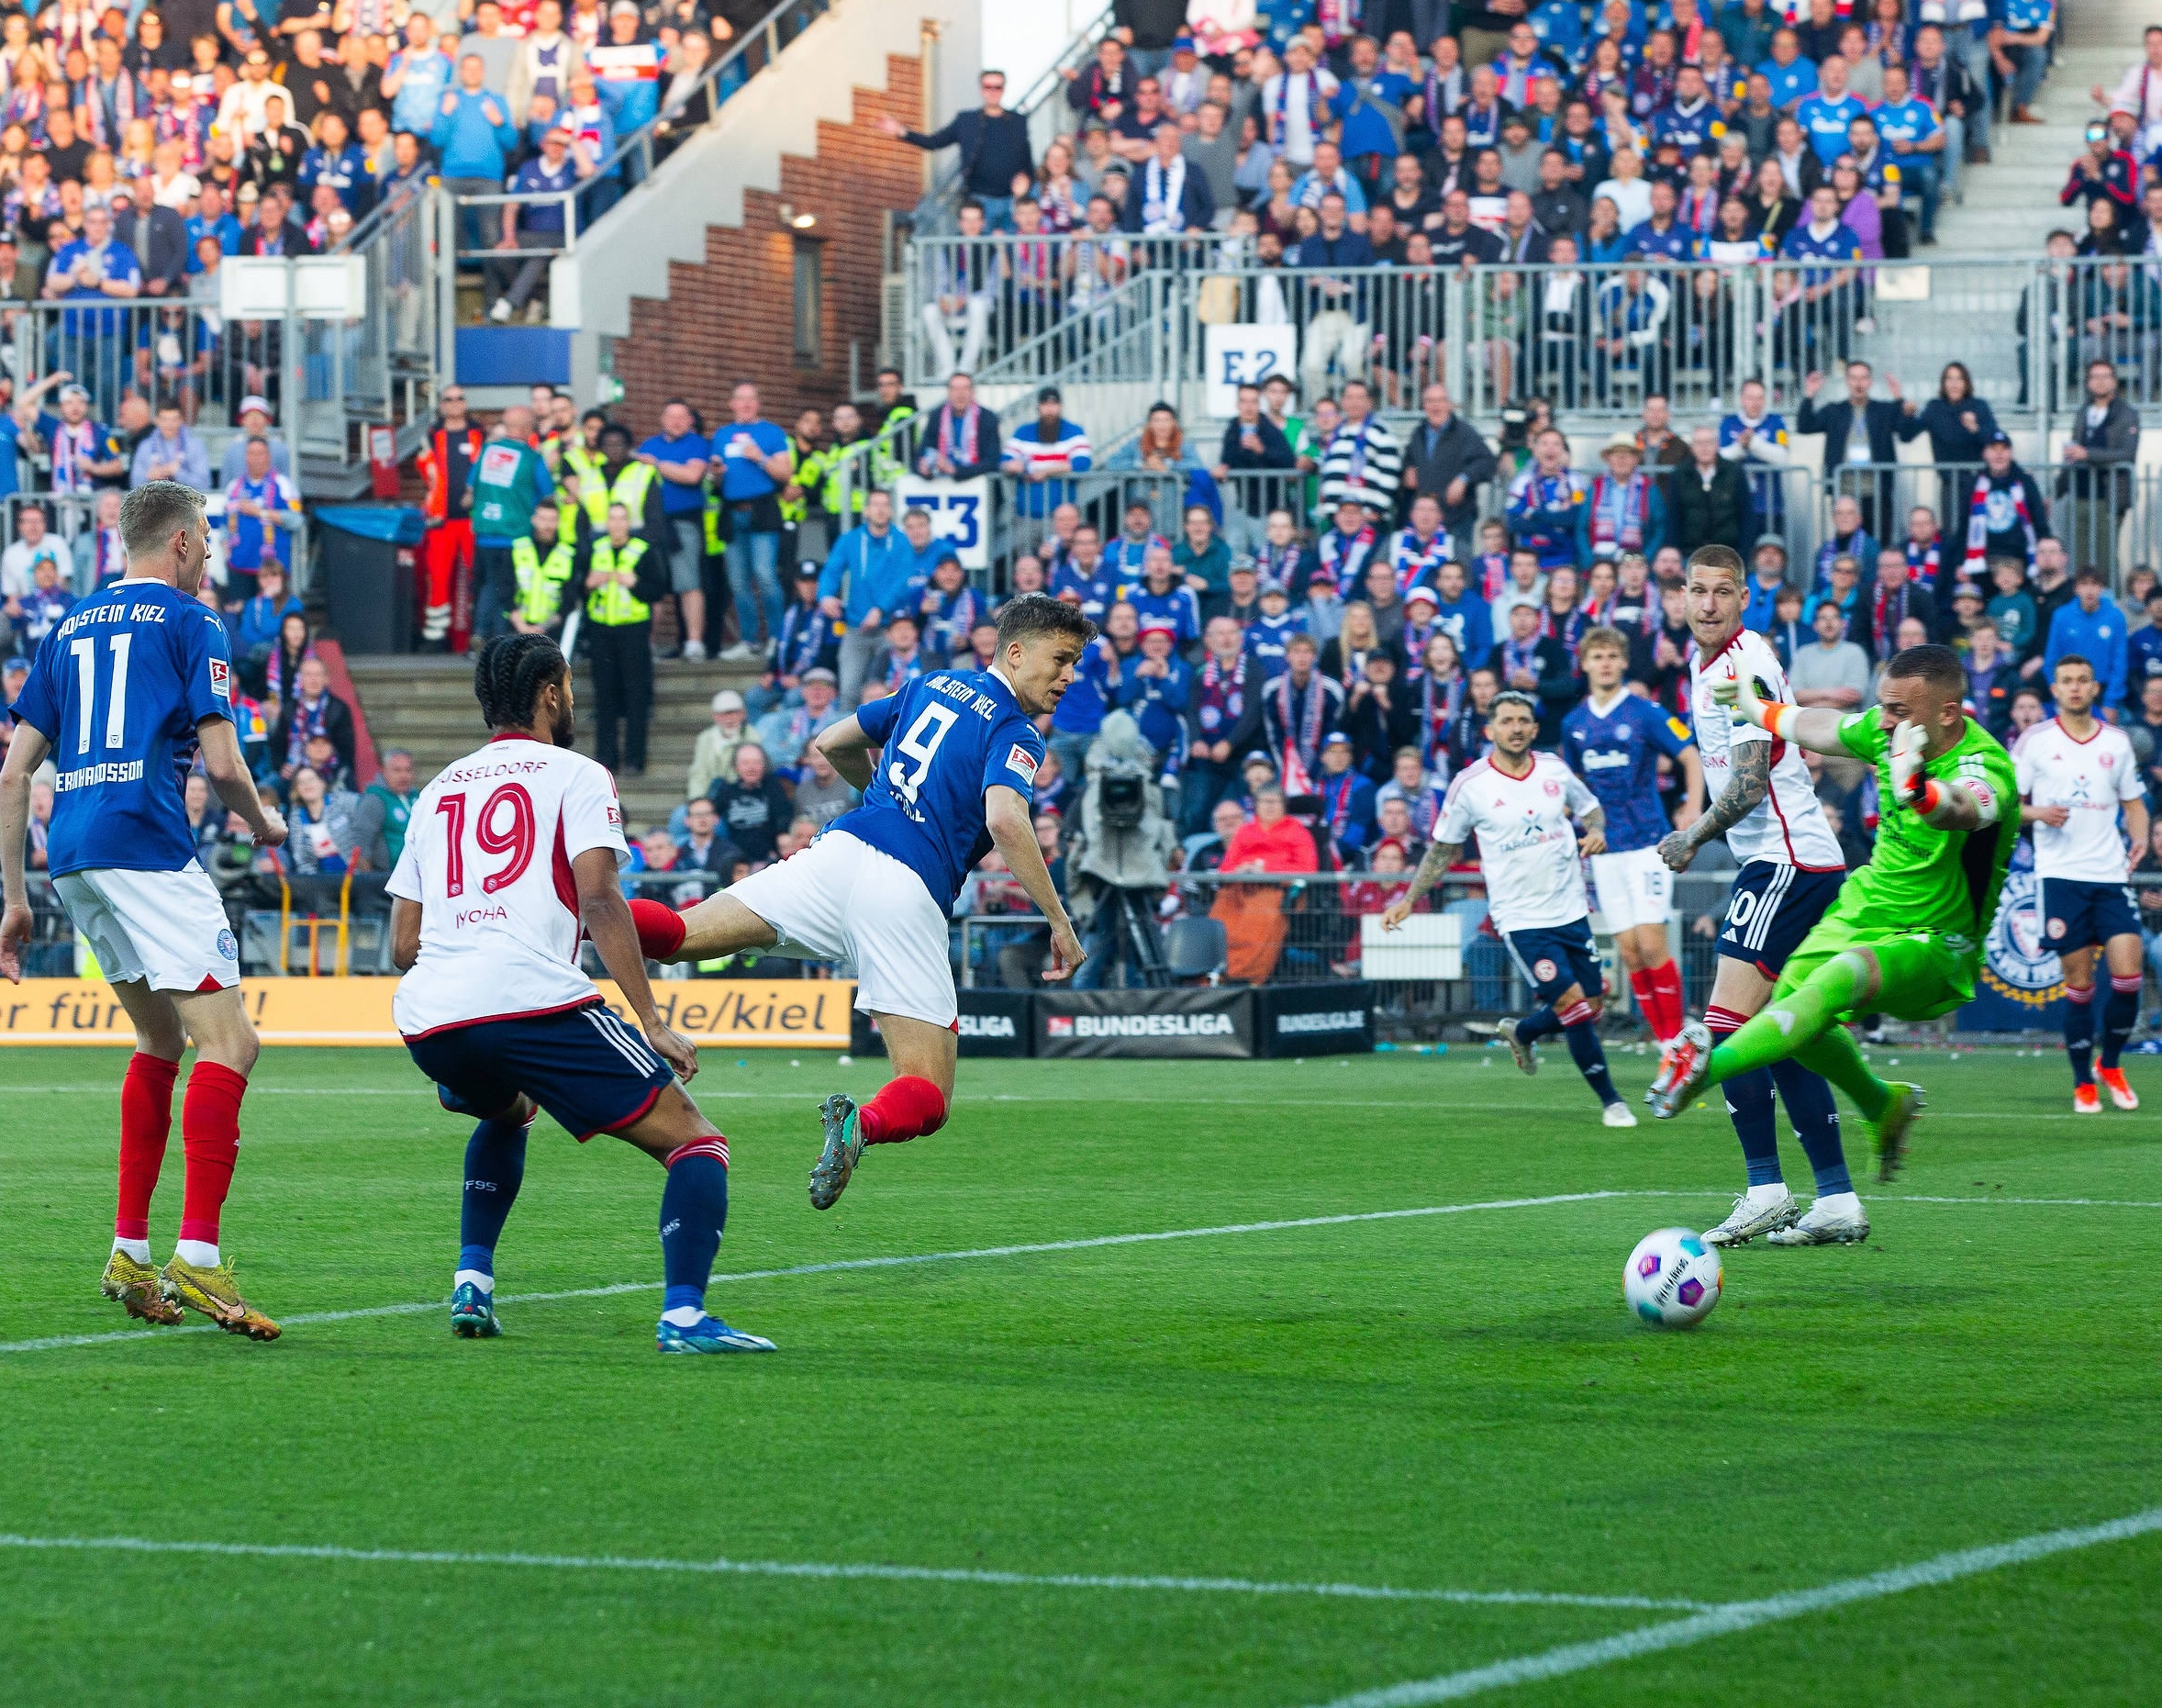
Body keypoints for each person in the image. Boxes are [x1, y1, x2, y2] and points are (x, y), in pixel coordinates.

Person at [634, 595, 1092, 1210]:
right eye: (1061, 659)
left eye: (1075, 663)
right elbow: (1006, 819)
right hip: (904, 890)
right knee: (927, 1092)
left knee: (679, 933)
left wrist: (888, 797)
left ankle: (564, 910)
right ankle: (860, 1126)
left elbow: (830, 739)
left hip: (838, 854)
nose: (1069, 675)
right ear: (1015, 651)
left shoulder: (930, 683)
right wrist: (1058, 920)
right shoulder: (1015, 732)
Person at [384, 633, 771, 1355]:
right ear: (550, 693)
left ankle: (474, 1280)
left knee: (509, 1110)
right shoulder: (579, 773)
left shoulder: (436, 789)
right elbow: (600, 901)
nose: (573, 699)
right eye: (568, 686)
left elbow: (403, 944)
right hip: (529, 998)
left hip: (431, 1017)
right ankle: (685, 1318)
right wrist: (651, 1019)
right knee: (698, 1143)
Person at [0, 481, 286, 1337]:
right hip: (148, 844)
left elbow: (13, 774)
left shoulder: (67, 625)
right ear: (186, 542)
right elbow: (226, 765)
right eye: (207, 540)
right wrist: (264, 822)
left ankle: (129, 1252)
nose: (210, 556)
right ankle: (197, 1260)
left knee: (160, 1038)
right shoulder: (193, 623)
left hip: (75, 854)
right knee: (233, 1041)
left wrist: (14, 899)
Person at [1655, 641, 2020, 1196]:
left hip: (1937, 939)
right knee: (1794, 1014)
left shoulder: (1985, 764)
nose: (1886, 718)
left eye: (1900, 711)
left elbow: (1966, 807)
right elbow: (1821, 725)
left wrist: (1917, 788)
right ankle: (1881, 1102)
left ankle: (1706, 1068)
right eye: (1884, 705)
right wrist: (1759, 711)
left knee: (1834, 981)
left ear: (1947, 713)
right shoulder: (1886, 729)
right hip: (1865, 905)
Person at [1654, 544, 1860, 1246]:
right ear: (1681, 596)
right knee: (1784, 1038)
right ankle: (1836, 1199)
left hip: (1784, 861)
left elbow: (1747, 782)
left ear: (1744, 598)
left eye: (1722, 591)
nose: (1708, 603)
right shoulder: (1705, 662)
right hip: (1793, 860)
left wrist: (1691, 836)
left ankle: (1765, 1188)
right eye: (1697, 590)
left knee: (1728, 1026)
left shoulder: (1747, 663)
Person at [1381, 691, 1634, 1127]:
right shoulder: (1470, 785)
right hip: (1520, 918)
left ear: (1534, 729)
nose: (1516, 728)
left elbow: (1593, 812)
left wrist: (1595, 833)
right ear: (1490, 730)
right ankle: (1612, 1101)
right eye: (1507, 721)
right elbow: (1442, 851)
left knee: (1592, 1003)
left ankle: (1523, 1031)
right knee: (1574, 1006)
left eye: (1523, 720)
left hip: (1571, 908)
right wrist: (1408, 898)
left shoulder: (1555, 770)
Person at [2016, 654, 2149, 1112]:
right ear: (2055, 689)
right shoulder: (2034, 742)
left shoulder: (2117, 742)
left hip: (2110, 874)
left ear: (2095, 689)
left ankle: (2110, 1063)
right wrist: (2038, 813)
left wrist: (2141, 838)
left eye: (2083, 681)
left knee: (2129, 975)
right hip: (2060, 877)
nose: (2075, 688)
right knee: (2079, 981)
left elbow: (2134, 802)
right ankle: (2081, 1081)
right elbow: (2007, 804)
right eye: (2067, 681)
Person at [1563, 627, 1703, 1046]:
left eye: (1612, 656)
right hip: (1605, 849)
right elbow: (1573, 784)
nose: (1604, 663)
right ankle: (1663, 1039)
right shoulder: (1574, 723)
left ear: (1623, 662)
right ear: (1585, 664)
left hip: (1647, 843)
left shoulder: (1645, 712)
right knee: (1627, 951)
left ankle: (1675, 1040)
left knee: (1650, 943)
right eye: (1596, 656)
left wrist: (1692, 810)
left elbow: (1690, 756)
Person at [877, 68, 1032, 228]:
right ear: (981, 90)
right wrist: (902, 132)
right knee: (981, 252)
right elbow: (934, 142)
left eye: (997, 87)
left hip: (1013, 201)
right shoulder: (966, 121)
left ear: (1003, 89)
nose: (992, 91)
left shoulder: (1018, 121)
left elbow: (1027, 160)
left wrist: (1026, 182)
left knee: (1014, 251)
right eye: (988, 87)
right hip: (978, 204)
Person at [580, 499, 663, 776]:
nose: (617, 524)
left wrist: (635, 584)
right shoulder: (595, 549)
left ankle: (634, 760)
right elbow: (578, 585)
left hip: (633, 629)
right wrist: (588, 583)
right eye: (612, 519)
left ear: (629, 523)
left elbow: (657, 590)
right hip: (602, 629)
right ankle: (606, 757)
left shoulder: (643, 550)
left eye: (621, 519)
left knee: (636, 695)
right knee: (604, 695)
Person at [713, 381, 793, 662]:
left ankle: (777, 638)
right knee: (737, 581)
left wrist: (760, 457)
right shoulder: (722, 435)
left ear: (757, 403)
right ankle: (749, 640)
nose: (745, 404)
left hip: (762, 511)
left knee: (766, 576)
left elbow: (785, 474)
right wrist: (717, 474)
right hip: (732, 512)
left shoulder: (771, 433)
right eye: (740, 399)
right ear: (731, 404)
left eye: (751, 399)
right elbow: (717, 480)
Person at [353, 747, 418, 873]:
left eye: (408, 770)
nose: (403, 776)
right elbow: (362, 845)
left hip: (415, 874)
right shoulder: (375, 799)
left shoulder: (415, 797)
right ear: (384, 771)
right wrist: (371, 881)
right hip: (386, 876)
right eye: (397, 770)